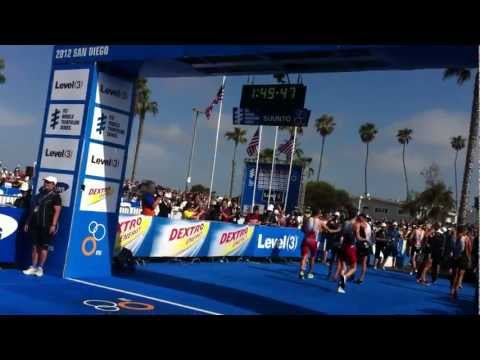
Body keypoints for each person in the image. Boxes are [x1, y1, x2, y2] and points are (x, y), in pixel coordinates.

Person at [22, 176, 62, 277]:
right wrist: (27, 222)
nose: (46, 184)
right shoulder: (39, 195)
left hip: (46, 225)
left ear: (53, 185)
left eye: (49, 182)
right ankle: (33, 267)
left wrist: (53, 225)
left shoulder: (55, 197)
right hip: (35, 224)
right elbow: (33, 210)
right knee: (35, 247)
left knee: (44, 248)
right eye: (45, 182)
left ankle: (40, 268)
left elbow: (57, 211)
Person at [450, 225, 472, 300]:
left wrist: (469, 259)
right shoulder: (456, 238)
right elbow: (453, 248)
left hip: (462, 257)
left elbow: (469, 249)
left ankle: (455, 289)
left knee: (459, 274)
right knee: (456, 274)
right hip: (458, 257)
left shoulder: (465, 238)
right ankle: (454, 289)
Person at [353, 214, 372, 284]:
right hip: (366, 244)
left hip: (361, 244)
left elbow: (358, 237)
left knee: (356, 260)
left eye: (359, 217)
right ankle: (360, 278)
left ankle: (355, 276)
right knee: (362, 262)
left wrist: (365, 240)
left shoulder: (359, 224)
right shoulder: (368, 225)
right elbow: (369, 236)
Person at [299, 208, 317, 279]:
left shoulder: (305, 221)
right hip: (313, 240)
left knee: (304, 256)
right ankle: (310, 272)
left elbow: (302, 230)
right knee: (312, 257)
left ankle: (302, 271)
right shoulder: (316, 220)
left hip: (306, 239)